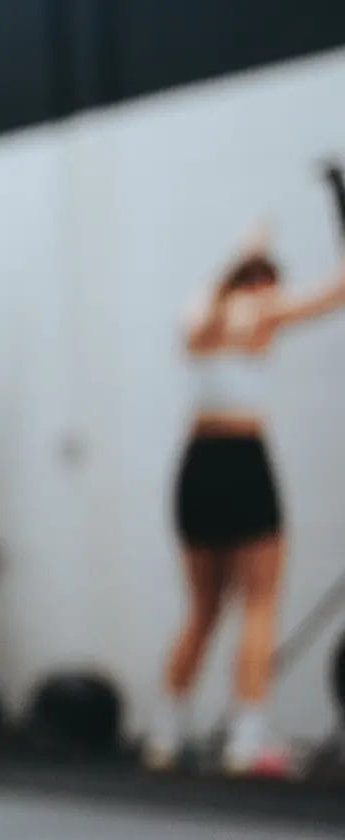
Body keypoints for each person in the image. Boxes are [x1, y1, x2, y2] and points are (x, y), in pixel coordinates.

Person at [143, 224, 345, 777]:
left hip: (197, 468)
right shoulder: (257, 310)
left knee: (203, 610)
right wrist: (249, 256)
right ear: (259, 282)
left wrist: (239, 260)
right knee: (259, 602)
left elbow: (196, 326)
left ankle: (165, 730)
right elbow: (336, 292)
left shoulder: (203, 310)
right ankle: (246, 740)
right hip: (240, 461)